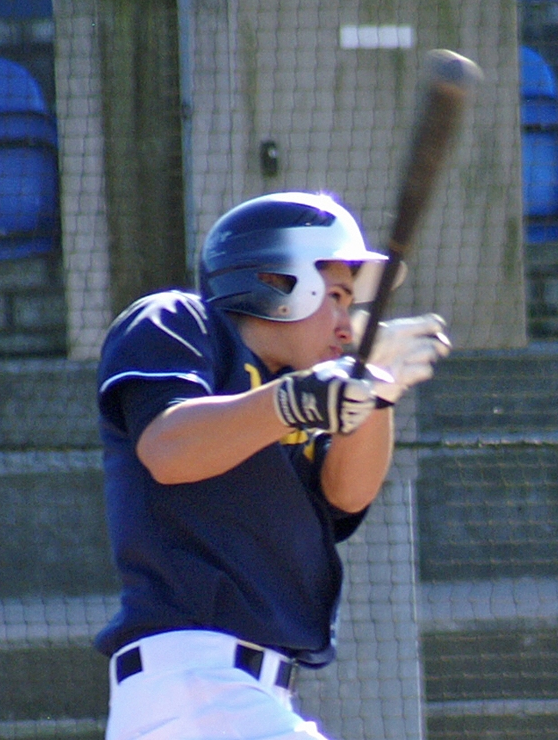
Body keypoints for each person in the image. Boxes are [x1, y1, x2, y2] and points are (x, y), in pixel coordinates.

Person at [94, 191, 451, 740]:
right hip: (196, 682)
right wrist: (294, 401)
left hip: (234, 697)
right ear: (277, 281)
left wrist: (377, 395)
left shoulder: (297, 394)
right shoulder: (179, 320)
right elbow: (168, 448)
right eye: (336, 297)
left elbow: (345, 495)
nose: (346, 326)